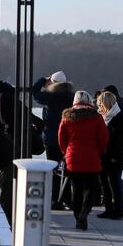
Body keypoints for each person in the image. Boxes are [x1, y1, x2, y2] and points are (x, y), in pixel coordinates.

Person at [58, 91, 109, 230]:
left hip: (73, 158)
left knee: (77, 190)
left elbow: (61, 139)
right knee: (91, 189)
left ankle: (77, 216)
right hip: (92, 157)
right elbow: (103, 138)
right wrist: (98, 152)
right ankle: (85, 212)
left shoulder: (67, 117)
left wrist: (66, 153)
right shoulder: (97, 117)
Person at [33, 71, 74, 210]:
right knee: (66, 169)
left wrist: (42, 80)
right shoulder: (70, 97)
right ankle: (67, 198)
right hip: (67, 138)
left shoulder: (50, 97)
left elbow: (34, 92)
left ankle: (56, 199)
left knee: (53, 169)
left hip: (51, 138)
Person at [102, 85, 123, 214]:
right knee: (115, 179)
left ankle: (118, 207)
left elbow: (116, 135)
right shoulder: (121, 107)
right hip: (120, 150)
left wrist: (114, 154)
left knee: (114, 180)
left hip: (116, 151)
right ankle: (120, 205)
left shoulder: (117, 111)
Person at [97, 92, 123, 219]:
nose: (99, 104)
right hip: (104, 155)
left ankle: (118, 210)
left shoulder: (118, 116)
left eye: (101, 102)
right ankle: (108, 208)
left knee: (114, 184)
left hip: (114, 156)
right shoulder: (106, 116)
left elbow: (120, 139)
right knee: (105, 184)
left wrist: (116, 156)